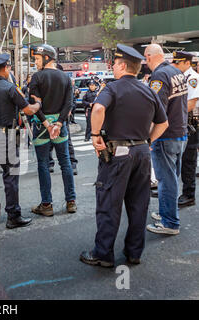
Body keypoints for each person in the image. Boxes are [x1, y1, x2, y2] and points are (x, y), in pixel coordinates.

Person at [80, 44, 169, 268]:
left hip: (117, 153)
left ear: (121, 65)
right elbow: (163, 123)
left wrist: (94, 135)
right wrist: (148, 141)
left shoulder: (113, 88)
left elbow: (99, 109)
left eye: (115, 64)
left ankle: (103, 254)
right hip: (141, 152)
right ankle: (134, 252)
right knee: (139, 205)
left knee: (110, 203)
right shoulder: (148, 89)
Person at [0, 53, 42, 229]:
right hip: (6, 136)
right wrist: (38, 105)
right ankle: (13, 215)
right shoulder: (10, 88)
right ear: (5, 69)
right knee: (10, 177)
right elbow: (27, 110)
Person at [144, 44, 188, 235]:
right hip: (181, 132)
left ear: (149, 57)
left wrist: (150, 138)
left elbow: (156, 109)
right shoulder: (176, 71)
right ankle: (166, 213)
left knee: (166, 180)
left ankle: (170, 222)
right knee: (172, 178)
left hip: (165, 136)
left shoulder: (159, 76)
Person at [28, 44, 77, 217]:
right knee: (65, 163)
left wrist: (47, 124)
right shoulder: (65, 78)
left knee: (43, 164)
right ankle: (71, 201)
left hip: (42, 127)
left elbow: (35, 105)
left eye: (37, 59)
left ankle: (47, 204)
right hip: (60, 127)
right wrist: (58, 123)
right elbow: (68, 104)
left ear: (46, 57)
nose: (35, 62)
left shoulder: (37, 78)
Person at [171, 51, 199, 207]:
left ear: (187, 63)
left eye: (178, 63)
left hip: (191, 123)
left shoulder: (192, 78)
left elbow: (191, 104)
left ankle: (189, 194)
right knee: (179, 159)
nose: (176, 65)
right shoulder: (181, 77)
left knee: (188, 160)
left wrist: (173, 116)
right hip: (182, 122)